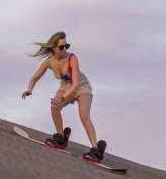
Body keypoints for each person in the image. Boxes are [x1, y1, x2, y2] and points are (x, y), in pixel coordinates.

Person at [21, 31, 107, 162]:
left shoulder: (72, 58)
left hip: (81, 87)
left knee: (84, 115)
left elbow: (76, 83)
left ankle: (96, 150)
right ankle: (60, 137)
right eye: (61, 47)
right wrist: (29, 89)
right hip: (66, 86)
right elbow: (35, 77)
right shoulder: (49, 62)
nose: (64, 49)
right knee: (54, 106)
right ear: (54, 48)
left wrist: (63, 97)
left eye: (66, 46)